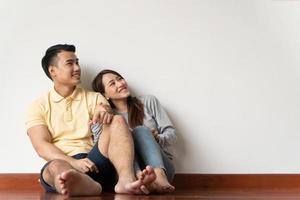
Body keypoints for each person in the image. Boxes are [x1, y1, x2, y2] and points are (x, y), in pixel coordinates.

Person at [25, 44, 155, 197]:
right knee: (55, 169)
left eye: (77, 62)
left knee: (118, 120)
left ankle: (125, 181)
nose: (77, 68)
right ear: (53, 71)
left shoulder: (95, 98)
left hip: (95, 160)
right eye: (70, 63)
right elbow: (41, 146)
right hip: (64, 160)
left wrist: (105, 111)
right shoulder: (37, 106)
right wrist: (73, 163)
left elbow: (107, 117)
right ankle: (83, 184)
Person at [92, 69, 177, 193]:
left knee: (140, 131)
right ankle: (140, 182)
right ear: (105, 95)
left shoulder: (148, 102)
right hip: (127, 174)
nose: (120, 83)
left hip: (161, 167)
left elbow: (172, 134)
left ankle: (159, 177)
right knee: (126, 140)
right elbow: (102, 150)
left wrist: (157, 138)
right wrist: (99, 122)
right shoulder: (107, 117)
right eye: (112, 83)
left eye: (119, 78)